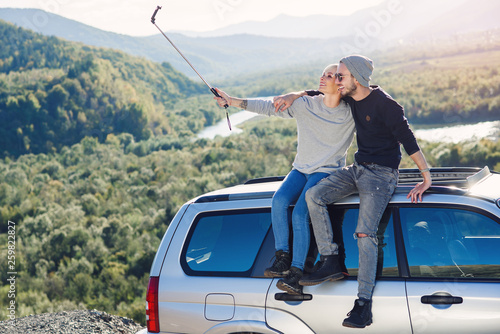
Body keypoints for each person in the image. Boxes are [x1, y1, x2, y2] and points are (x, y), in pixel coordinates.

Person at [275, 54, 432, 328]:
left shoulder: (386, 105)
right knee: (314, 196)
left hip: (381, 176)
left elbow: (407, 138)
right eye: (335, 76)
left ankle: (363, 305)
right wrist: (293, 94)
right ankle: (331, 258)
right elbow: (318, 91)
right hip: (357, 169)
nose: (336, 80)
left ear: (356, 79)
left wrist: (425, 175)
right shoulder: (349, 96)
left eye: (341, 76)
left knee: (364, 233)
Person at [213, 64, 355, 295]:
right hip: (301, 169)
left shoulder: (350, 112)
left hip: (326, 171)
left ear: (340, 83)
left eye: (329, 76)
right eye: (322, 74)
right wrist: (231, 101)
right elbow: (270, 107)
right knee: (279, 201)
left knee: (300, 213)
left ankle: (297, 270)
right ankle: (282, 258)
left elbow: (372, 103)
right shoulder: (305, 105)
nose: (322, 78)